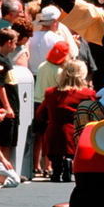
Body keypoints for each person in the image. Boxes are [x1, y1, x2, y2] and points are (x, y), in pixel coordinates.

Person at [35, 60, 98, 182]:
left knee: (55, 145)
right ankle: (69, 163)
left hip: (54, 132)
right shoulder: (88, 94)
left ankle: (57, 166)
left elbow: (40, 113)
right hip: (77, 134)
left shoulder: (51, 92)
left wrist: (47, 123)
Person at [32, 41, 70, 177]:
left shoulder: (42, 66)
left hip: (36, 102)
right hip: (48, 105)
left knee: (37, 137)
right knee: (48, 137)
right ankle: (48, 166)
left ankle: (36, 165)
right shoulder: (59, 71)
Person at [0, 28, 21, 163]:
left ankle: (9, 167)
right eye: (15, 42)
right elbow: (0, 85)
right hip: (7, 108)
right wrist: (7, 107)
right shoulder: (0, 61)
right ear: (8, 42)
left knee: (10, 141)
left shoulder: (6, 60)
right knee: (4, 142)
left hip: (14, 107)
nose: (16, 45)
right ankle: (4, 168)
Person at [27, 5, 66, 76]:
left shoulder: (30, 37)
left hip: (33, 78)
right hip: (50, 78)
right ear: (55, 21)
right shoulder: (58, 39)